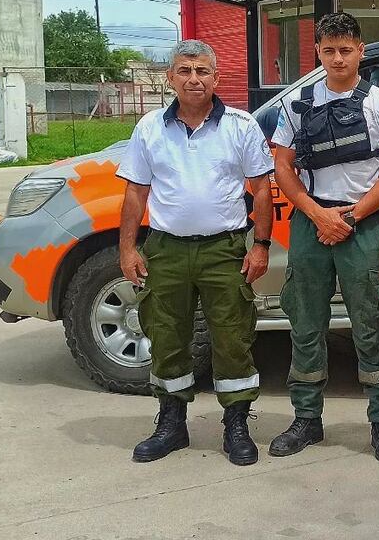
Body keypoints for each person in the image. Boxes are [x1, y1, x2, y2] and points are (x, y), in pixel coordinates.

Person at [117, 39, 273, 466]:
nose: (194, 79)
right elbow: (136, 191)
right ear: (170, 78)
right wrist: (128, 247)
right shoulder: (149, 128)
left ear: (216, 77)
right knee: (166, 336)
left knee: (232, 338)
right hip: (165, 250)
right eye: (184, 71)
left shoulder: (241, 126)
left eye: (202, 71)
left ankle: (237, 425)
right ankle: (171, 424)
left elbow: (261, 190)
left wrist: (260, 246)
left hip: (224, 250)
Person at [269, 12, 379, 462]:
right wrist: (316, 214)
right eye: (329, 50)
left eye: (346, 50)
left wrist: (350, 217)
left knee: (371, 324)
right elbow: (283, 168)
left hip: (362, 224)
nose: (337, 58)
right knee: (305, 325)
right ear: (317, 52)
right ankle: (306, 420)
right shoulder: (297, 104)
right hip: (311, 224)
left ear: (360, 51)